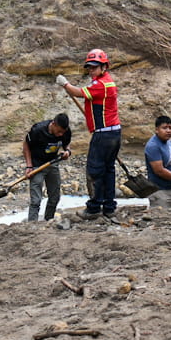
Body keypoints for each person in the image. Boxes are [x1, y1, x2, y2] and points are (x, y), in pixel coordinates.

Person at [59, 51, 122, 219]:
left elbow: (78, 92)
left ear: (104, 67)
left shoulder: (101, 85)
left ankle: (94, 208)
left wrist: (65, 84)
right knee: (108, 170)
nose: (91, 71)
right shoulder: (106, 82)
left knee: (94, 171)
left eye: (94, 67)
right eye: (89, 68)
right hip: (114, 133)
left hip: (103, 135)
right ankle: (109, 207)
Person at [22, 113, 72, 222]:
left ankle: (49, 220)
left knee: (54, 197)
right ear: (53, 124)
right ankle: (32, 225)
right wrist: (29, 165)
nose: (60, 135)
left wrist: (67, 151)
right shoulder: (38, 130)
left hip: (52, 163)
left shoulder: (66, 131)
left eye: (62, 132)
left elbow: (67, 144)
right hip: (37, 165)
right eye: (59, 131)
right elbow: (26, 145)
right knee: (36, 200)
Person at [144, 114, 171, 195]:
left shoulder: (168, 142)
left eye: (170, 128)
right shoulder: (153, 146)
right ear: (157, 130)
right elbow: (159, 171)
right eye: (164, 128)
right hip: (160, 191)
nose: (168, 130)